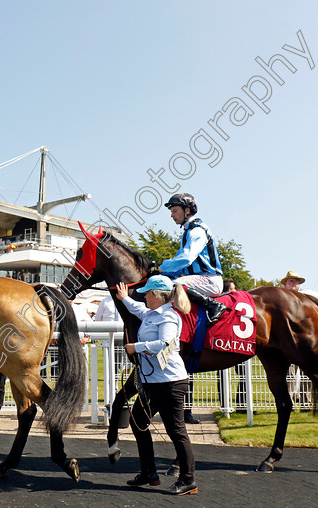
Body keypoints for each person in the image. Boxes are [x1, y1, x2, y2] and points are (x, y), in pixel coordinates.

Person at [114, 275, 198, 496]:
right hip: (154, 382)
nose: (145, 298)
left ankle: (188, 480)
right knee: (138, 420)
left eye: (147, 294)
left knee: (176, 430)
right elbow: (138, 310)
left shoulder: (168, 317)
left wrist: (136, 347)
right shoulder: (153, 313)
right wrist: (124, 299)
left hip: (170, 383)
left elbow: (165, 344)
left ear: (156, 295)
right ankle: (149, 472)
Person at [160, 193, 226, 325]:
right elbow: (180, 266)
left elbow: (186, 259)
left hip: (210, 280)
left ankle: (213, 305)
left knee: (172, 286)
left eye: (175, 211)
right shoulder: (188, 232)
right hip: (198, 279)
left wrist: (162, 267)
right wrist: (160, 273)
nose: (172, 215)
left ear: (187, 211)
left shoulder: (197, 231)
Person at [281, 270, 311, 408]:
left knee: (307, 373)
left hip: (303, 342)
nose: (293, 283)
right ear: (285, 284)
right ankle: (289, 402)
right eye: (290, 281)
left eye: (295, 281)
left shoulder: (305, 300)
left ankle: (306, 401)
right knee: (289, 375)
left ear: (299, 284)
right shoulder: (281, 301)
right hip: (287, 342)